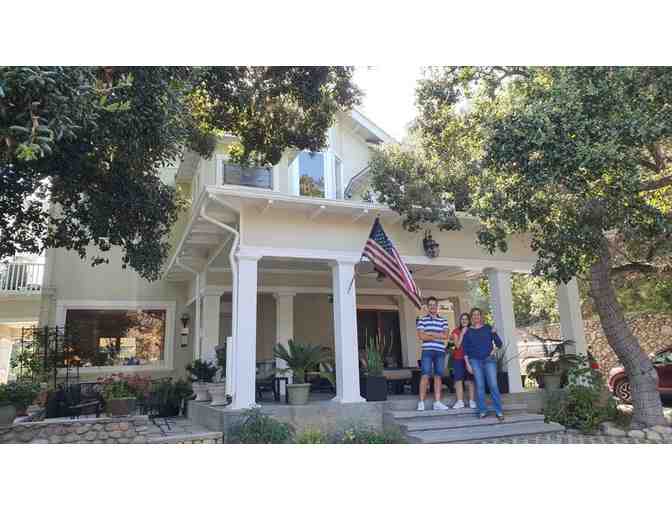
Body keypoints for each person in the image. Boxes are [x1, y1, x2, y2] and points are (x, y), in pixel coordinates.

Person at [461, 307, 504, 420]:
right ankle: (482, 411)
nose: (476, 316)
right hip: (475, 361)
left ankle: (499, 411)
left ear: (481, 316)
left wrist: (494, 348)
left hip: (489, 360)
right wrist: (467, 364)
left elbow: (499, 344)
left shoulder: (488, 328)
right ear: (471, 317)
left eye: (478, 314)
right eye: (474, 315)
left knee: (493, 385)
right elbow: (464, 349)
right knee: (480, 386)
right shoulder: (468, 331)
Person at [416, 296, 450, 411]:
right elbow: (421, 336)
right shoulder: (422, 320)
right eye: (430, 305)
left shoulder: (443, 320)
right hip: (427, 351)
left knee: (438, 376)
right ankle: (421, 402)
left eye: (434, 305)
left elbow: (446, 336)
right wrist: (437, 335)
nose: (432, 307)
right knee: (425, 374)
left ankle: (437, 402)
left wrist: (430, 333)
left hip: (440, 351)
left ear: (437, 306)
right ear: (427, 307)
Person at [450, 313, 476, 409]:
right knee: (458, 380)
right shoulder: (456, 331)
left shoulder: (473, 330)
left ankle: (472, 401)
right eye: (462, 319)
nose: (464, 321)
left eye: (466, 319)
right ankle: (460, 401)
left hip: (470, 358)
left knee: (471, 380)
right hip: (458, 358)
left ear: (469, 321)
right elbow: (457, 346)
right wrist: (462, 334)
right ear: (460, 321)